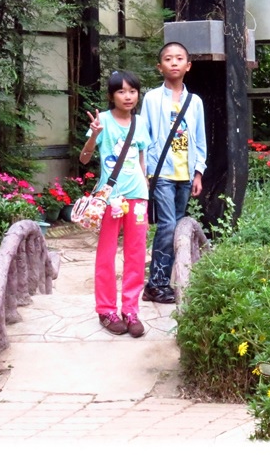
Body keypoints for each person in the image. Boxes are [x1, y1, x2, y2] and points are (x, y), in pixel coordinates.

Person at [79, 70, 152, 338]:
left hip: (138, 198)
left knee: (136, 255)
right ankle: (107, 310)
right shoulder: (103, 122)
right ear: (112, 95)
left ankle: (131, 310)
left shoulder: (141, 122)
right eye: (121, 91)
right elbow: (84, 160)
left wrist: (146, 189)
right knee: (107, 254)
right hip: (110, 198)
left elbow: (142, 158)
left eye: (132, 91)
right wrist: (93, 135)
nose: (128, 96)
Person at [141, 42, 207, 304]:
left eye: (180, 58)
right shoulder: (151, 98)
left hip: (186, 174)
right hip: (162, 172)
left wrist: (199, 172)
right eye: (168, 59)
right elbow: (143, 137)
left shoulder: (195, 102)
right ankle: (156, 284)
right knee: (167, 225)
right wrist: (145, 172)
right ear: (160, 67)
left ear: (188, 66)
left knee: (177, 226)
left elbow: (200, 140)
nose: (174, 63)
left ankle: (164, 280)